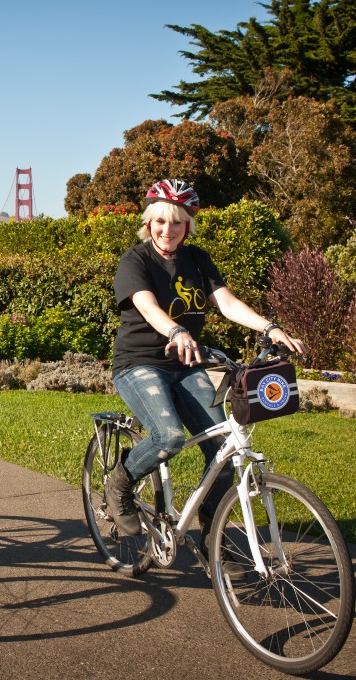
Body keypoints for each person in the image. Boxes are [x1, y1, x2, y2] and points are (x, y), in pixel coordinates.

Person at [107, 179, 305, 565]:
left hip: (187, 364)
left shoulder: (197, 259)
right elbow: (147, 307)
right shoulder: (135, 260)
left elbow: (227, 303)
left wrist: (269, 328)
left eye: (177, 223)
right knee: (168, 437)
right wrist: (177, 330)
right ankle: (121, 484)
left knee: (224, 451)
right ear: (149, 223)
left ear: (188, 226)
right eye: (161, 222)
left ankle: (211, 535)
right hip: (140, 364)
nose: (168, 230)